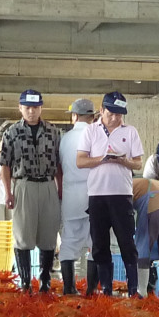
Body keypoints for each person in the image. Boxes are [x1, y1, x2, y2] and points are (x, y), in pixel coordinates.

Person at [76, 92, 143, 297]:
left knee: (126, 242)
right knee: (100, 243)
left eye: (119, 115)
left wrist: (124, 161)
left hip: (122, 194)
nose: (115, 118)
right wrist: (102, 159)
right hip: (97, 194)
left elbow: (138, 163)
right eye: (111, 113)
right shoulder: (90, 131)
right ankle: (106, 288)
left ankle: (133, 288)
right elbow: (80, 161)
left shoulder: (130, 131)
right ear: (102, 110)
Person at [0, 89, 62, 293]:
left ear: (41, 108)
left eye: (35, 107)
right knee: (23, 235)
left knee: (48, 234)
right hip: (23, 184)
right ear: (20, 108)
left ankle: (45, 279)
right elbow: (5, 165)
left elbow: (60, 165)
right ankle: (25, 281)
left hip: (47, 184)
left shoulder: (54, 132)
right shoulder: (11, 132)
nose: (31, 112)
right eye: (27, 108)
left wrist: (59, 190)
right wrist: (8, 192)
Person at [59, 98, 96, 295]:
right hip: (93, 194)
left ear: (74, 116)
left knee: (69, 240)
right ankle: (91, 290)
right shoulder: (97, 136)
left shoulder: (65, 139)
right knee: (95, 241)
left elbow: (60, 168)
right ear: (93, 117)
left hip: (70, 194)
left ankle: (68, 287)